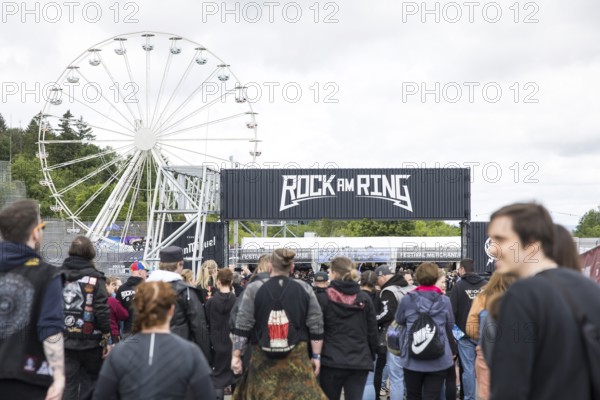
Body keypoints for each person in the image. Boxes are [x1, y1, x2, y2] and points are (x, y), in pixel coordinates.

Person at [487, 202, 600, 400]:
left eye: (501, 240)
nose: (493, 250)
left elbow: (509, 387)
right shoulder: (590, 289)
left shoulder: (522, 295)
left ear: (532, 245)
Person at [231, 249, 327, 400]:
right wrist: (316, 356)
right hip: (297, 359)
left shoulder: (254, 289)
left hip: (263, 359)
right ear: (292, 267)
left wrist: (236, 355)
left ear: (270, 266)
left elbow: (243, 325)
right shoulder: (305, 288)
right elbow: (316, 325)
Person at [93, 281, 216, 399]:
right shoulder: (191, 353)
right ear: (171, 311)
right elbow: (207, 395)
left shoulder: (119, 354)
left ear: (138, 309)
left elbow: (102, 395)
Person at [0, 199, 65, 400]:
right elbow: (50, 329)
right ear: (35, 232)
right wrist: (59, 376)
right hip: (29, 376)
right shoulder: (46, 274)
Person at [316, 257, 378, 400]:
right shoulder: (364, 298)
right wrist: (371, 354)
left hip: (331, 359)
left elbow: (317, 329)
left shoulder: (324, 298)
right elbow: (372, 331)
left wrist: (314, 355)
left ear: (334, 273)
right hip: (359, 359)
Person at [60, 236, 112, 399]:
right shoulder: (96, 278)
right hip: (92, 340)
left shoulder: (58, 276)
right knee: (90, 382)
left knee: (68, 384)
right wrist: (108, 336)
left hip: (63, 339)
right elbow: (101, 309)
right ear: (91, 253)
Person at [395, 262, 455, 400]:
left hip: (412, 356)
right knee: (432, 396)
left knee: (413, 395)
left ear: (418, 278)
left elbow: (399, 320)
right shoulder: (444, 300)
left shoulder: (407, 299)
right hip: (438, 357)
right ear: (435, 278)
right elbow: (450, 325)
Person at [146, 246, 211, 363]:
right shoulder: (186, 291)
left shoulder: (144, 290)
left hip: (149, 352)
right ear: (179, 264)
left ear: (160, 263)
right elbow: (198, 326)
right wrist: (205, 359)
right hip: (179, 353)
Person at [465, 272, 518, 400]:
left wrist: (483, 337)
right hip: (514, 352)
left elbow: (470, 326)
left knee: (486, 393)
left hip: (485, 352)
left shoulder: (483, 297)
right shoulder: (518, 297)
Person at [375, 265, 414, 400]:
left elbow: (387, 314)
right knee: (411, 375)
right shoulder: (412, 288)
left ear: (383, 277)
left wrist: (372, 319)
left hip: (394, 335)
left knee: (396, 377)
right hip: (415, 335)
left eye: (377, 278)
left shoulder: (388, 291)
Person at [450, 259, 487, 400]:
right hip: (483, 334)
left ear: (462, 270)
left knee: (468, 370)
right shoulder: (486, 286)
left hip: (464, 335)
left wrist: (457, 335)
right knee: (485, 368)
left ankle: (469, 398)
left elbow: (451, 313)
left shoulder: (458, 287)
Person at [206, 268, 237, 400]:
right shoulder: (237, 301)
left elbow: (207, 322)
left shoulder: (211, 302)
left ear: (218, 282)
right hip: (233, 343)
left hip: (216, 343)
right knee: (236, 377)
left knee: (217, 378)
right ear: (231, 282)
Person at [360, 270, 383, 400]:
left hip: (355, 342)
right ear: (375, 282)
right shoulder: (379, 297)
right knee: (369, 381)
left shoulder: (355, 297)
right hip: (371, 342)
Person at [115, 260, 148, 338]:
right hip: (145, 331)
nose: (147, 274)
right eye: (146, 271)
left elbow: (116, 313)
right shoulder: (149, 288)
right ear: (140, 271)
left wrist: (116, 333)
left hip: (128, 331)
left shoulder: (122, 288)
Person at [105, 277, 128, 344]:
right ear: (106, 285)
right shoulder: (111, 301)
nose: (114, 287)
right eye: (112, 285)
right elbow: (124, 315)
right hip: (112, 334)